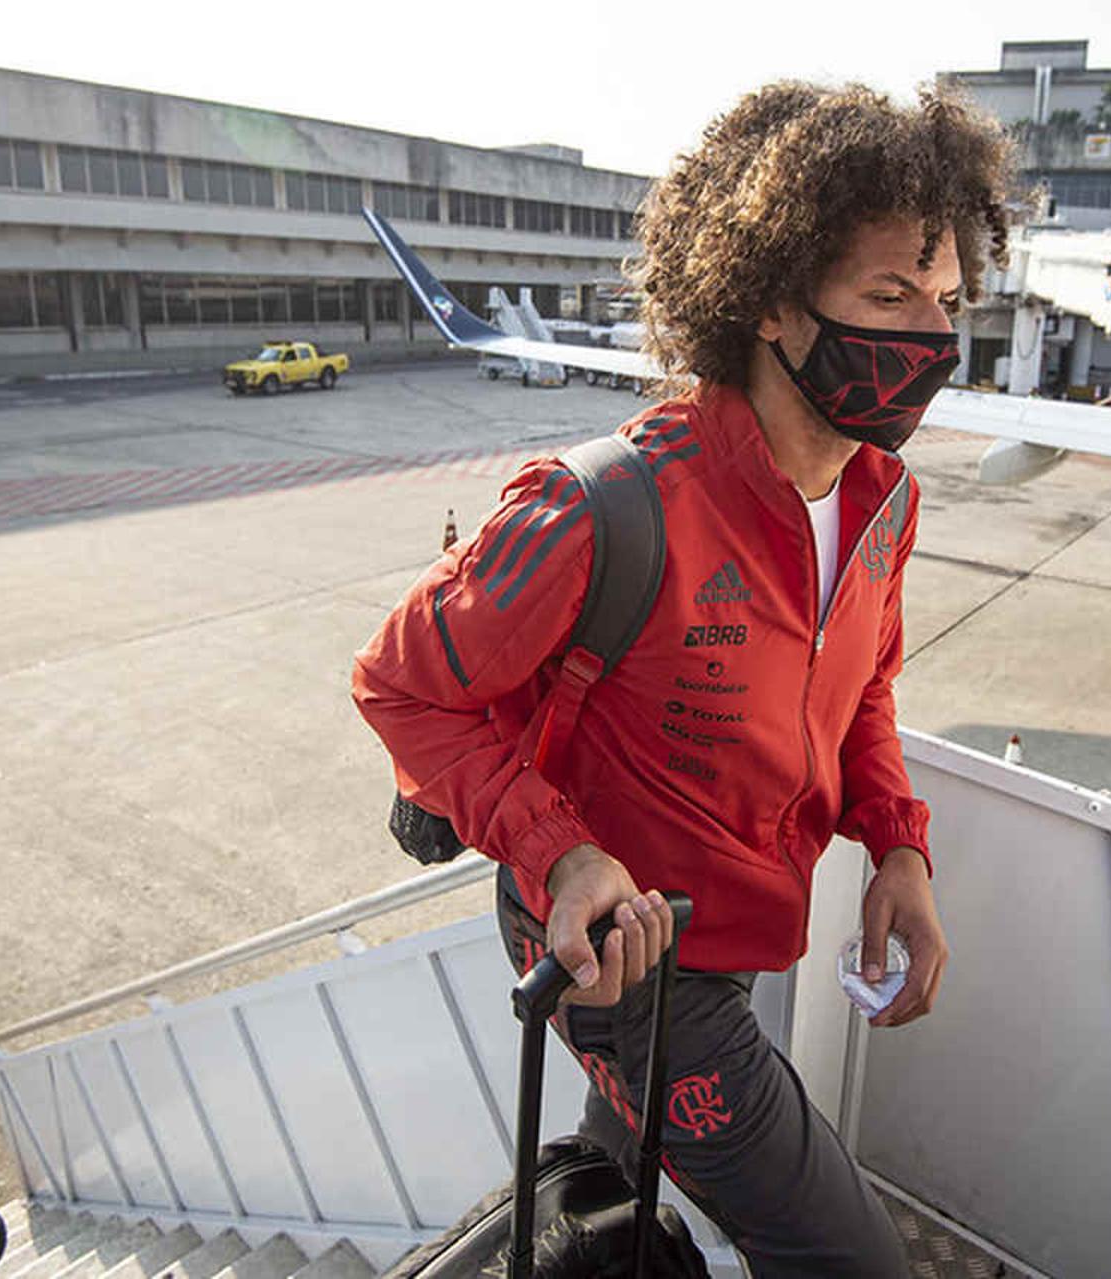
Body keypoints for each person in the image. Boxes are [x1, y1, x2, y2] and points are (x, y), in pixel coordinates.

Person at [353, 81, 1009, 1276]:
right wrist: (561, 850)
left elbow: (862, 691)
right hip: (620, 947)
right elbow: (399, 685)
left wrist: (899, 848)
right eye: (889, 295)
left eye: (947, 300)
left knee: (635, 1159)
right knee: (851, 1257)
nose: (929, 338)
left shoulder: (884, 497)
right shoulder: (605, 506)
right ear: (771, 300)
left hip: (750, 921)